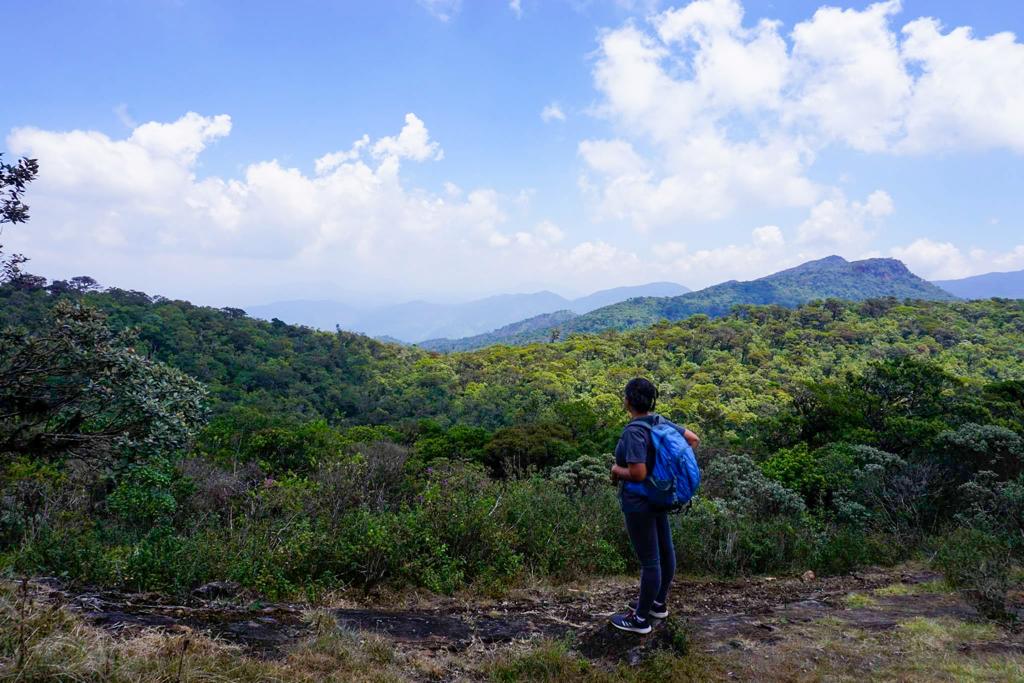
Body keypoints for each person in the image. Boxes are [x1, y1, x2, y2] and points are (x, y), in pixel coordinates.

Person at [609, 377, 700, 634]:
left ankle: (639, 621)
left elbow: (637, 472)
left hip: (640, 502)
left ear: (628, 401)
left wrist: (616, 469)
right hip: (660, 497)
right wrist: (666, 475)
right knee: (665, 550)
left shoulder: (634, 431)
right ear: (651, 401)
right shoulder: (658, 421)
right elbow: (692, 439)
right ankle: (657, 604)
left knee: (650, 561)